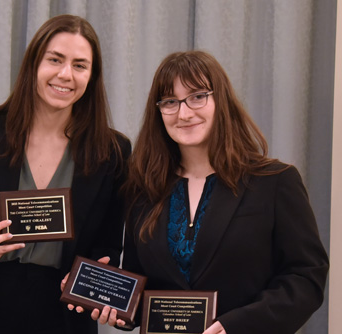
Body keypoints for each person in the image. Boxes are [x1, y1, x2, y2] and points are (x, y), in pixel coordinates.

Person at [93, 50, 329, 334]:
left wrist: (237, 326)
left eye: (197, 96)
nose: (184, 112)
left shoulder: (275, 182)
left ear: (221, 101)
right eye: (170, 101)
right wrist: (112, 300)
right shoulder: (142, 190)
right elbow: (140, 284)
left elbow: (305, 277)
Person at [0, 14, 131, 334]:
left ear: (92, 76)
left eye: (79, 65)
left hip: (63, 313)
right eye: (55, 59)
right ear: (34, 63)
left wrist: (101, 273)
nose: (65, 74)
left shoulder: (113, 152)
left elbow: (109, 244)